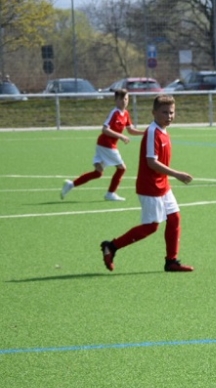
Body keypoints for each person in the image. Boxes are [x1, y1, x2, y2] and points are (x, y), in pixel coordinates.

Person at [99, 95, 194, 273]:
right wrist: (176, 174)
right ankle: (111, 246)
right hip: (150, 187)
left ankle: (171, 261)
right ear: (154, 113)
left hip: (162, 185)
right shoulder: (152, 132)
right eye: (164, 112)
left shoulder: (163, 131)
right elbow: (151, 162)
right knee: (151, 227)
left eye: (171, 112)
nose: (169, 116)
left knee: (174, 218)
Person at [61, 88, 143, 202]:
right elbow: (105, 129)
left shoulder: (125, 114)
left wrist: (144, 132)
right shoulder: (114, 113)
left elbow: (130, 130)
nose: (124, 101)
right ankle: (110, 193)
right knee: (122, 168)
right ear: (116, 100)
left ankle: (71, 184)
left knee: (98, 173)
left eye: (126, 99)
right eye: (121, 99)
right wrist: (120, 136)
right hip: (106, 144)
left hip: (104, 145)